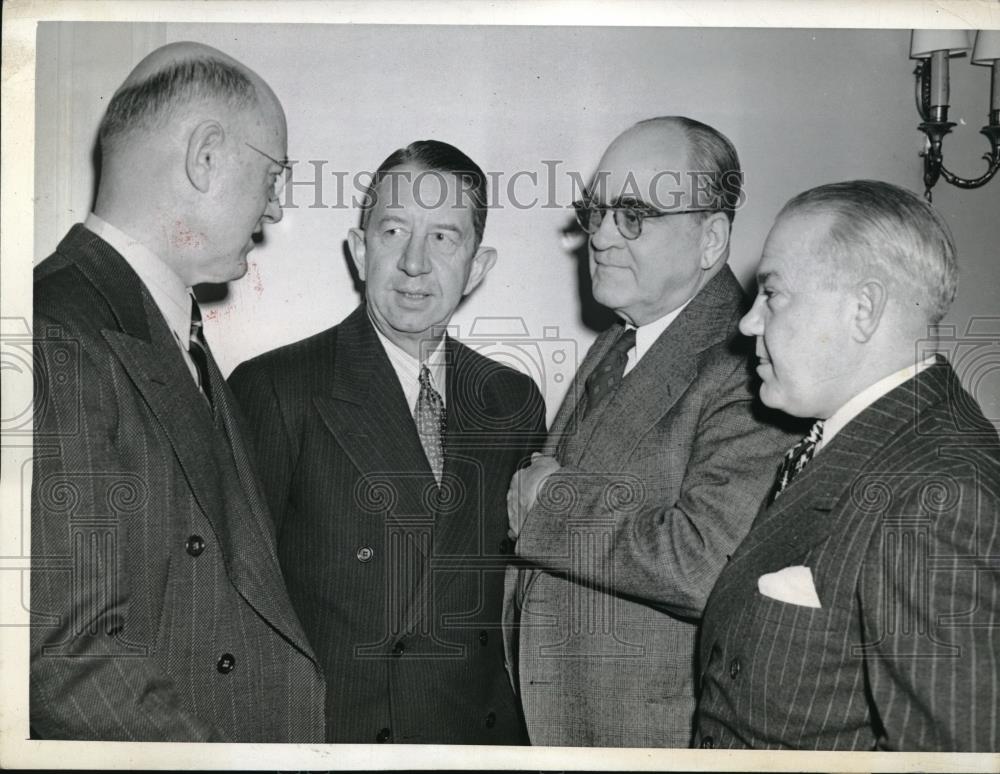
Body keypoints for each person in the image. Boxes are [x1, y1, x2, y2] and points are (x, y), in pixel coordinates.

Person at [30, 43, 325, 741]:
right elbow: (70, 662)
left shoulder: (151, 323)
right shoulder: (55, 333)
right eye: (273, 175)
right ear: (206, 156)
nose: (275, 207)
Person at [228, 140, 547, 744]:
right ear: (359, 250)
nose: (414, 263)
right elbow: (234, 601)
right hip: (340, 739)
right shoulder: (276, 388)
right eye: (394, 231)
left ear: (478, 267)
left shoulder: (512, 400)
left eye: (443, 237)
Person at [503, 116, 799, 747]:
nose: (601, 236)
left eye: (634, 215)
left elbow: (708, 563)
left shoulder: (750, 366)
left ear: (710, 239)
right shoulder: (621, 338)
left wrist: (550, 501)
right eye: (597, 211)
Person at [695, 180, 1000, 751]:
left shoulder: (940, 495)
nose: (748, 323)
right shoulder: (857, 438)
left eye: (772, 294)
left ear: (863, 310)